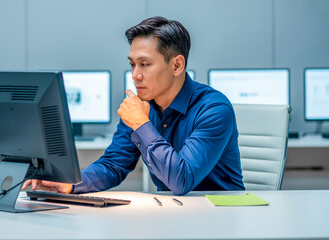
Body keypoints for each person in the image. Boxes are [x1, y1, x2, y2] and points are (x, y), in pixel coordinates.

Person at [22, 16, 245, 195]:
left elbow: (181, 180)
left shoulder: (214, 109)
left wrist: (141, 124)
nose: (135, 75)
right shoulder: (141, 106)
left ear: (177, 65)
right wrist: (71, 184)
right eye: (132, 64)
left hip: (220, 214)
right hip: (174, 214)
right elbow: (113, 165)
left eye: (145, 64)